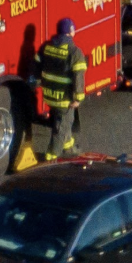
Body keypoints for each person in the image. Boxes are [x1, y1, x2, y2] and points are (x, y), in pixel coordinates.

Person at [37, 18, 89, 160]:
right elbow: (79, 77)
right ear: (70, 31)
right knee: (62, 127)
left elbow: (36, 62)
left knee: (62, 122)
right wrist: (78, 98)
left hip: (48, 95)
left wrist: (35, 80)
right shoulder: (75, 52)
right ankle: (50, 158)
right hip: (64, 98)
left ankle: (69, 147)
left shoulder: (47, 46)